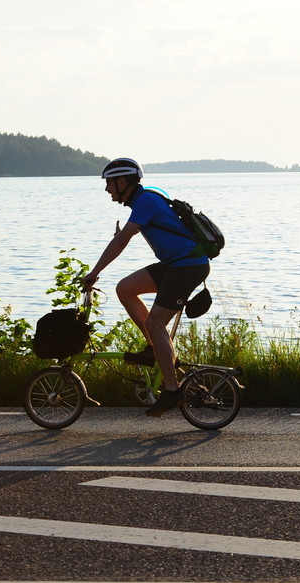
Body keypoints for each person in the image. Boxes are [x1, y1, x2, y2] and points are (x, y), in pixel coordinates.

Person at [83, 158, 210, 417]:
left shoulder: (146, 201)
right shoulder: (143, 201)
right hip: (174, 265)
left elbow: (123, 241)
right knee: (125, 288)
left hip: (187, 266)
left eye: (109, 183)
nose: (107, 189)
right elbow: (126, 237)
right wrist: (119, 238)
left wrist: (94, 273)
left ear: (122, 181)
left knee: (155, 323)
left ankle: (173, 390)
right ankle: (154, 348)